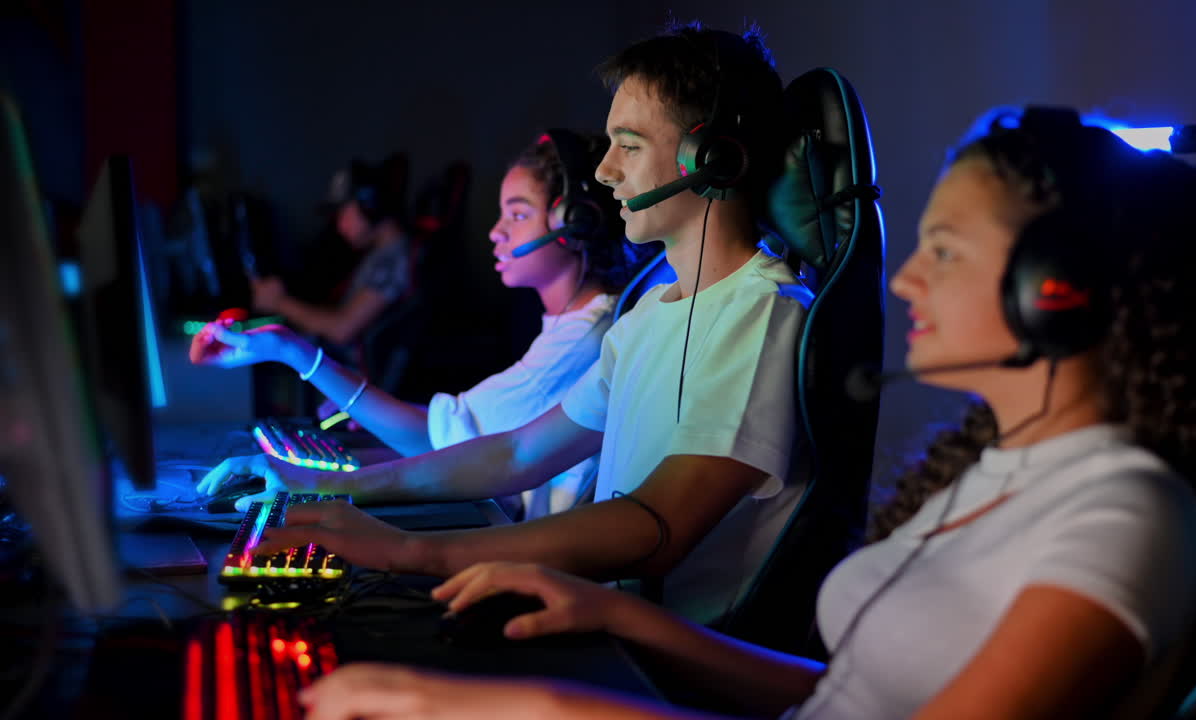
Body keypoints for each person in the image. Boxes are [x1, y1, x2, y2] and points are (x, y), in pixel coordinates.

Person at [284, 110, 1196, 719]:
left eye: (942, 250)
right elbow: (844, 697)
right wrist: (620, 625)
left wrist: (544, 709)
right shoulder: (993, 472)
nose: (903, 278)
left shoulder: (1124, 517)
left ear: (1053, 289)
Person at [228, 22, 805, 628]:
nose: (605, 172)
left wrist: (410, 551)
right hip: (603, 621)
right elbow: (517, 451)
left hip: (663, 665)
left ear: (710, 159)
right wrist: (337, 490)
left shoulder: (762, 312)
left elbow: (657, 526)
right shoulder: (650, 316)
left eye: (629, 146)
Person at [191, 129, 645, 520]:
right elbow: (459, 433)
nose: (496, 231)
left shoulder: (584, 339)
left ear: (576, 225)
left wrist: (292, 351)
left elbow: (437, 439)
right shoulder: (574, 325)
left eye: (519, 214)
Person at [249, 153, 413, 352]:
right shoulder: (379, 253)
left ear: (369, 207)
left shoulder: (391, 260)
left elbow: (341, 330)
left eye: (342, 213)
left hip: (350, 377)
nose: (339, 224)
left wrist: (279, 302)